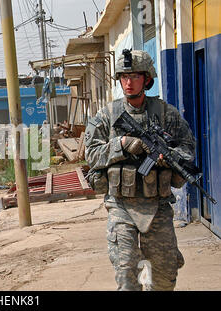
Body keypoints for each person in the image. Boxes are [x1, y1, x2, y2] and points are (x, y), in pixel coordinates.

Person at [84, 49, 196, 291]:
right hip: (121, 205)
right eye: (124, 76)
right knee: (126, 272)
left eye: (135, 76)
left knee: (166, 274)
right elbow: (90, 153)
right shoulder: (107, 116)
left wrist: (170, 157)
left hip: (158, 204)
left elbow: (188, 148)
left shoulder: (167, 114)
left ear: (147, 79)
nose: (128, 82)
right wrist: (121, 145)